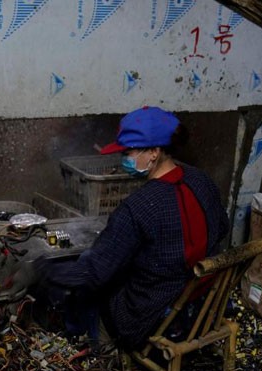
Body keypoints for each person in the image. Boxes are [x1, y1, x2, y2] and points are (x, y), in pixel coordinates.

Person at [38, 106, 229, 349]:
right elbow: (222, 228)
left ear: (153, 152)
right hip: (203, 305)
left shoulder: (139, 207)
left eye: (128, 152)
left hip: (158, 318)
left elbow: (92, 273)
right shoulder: (200, 179)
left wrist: (41, 269)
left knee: (86, 287)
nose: (123, 160)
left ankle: (92, 345)